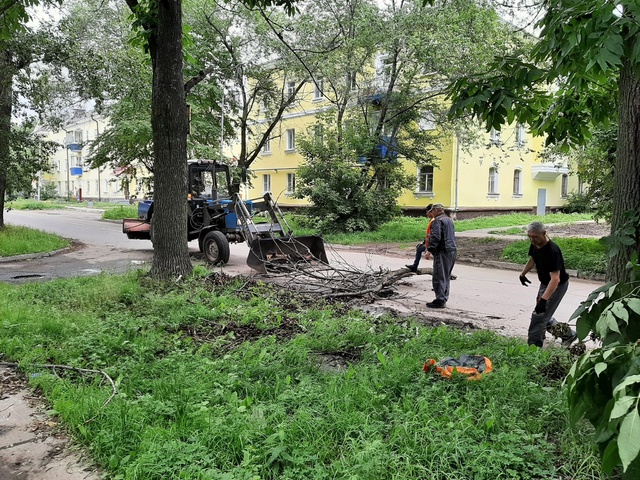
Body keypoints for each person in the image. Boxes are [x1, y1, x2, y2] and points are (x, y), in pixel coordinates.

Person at [519, 221, 577, 347]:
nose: (532, 239)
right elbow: (533, 259)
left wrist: (544, 300)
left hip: (557, 286)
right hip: (545, 283)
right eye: (529, 236)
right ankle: (568, 335)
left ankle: (533, 348)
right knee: (544, 315)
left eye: (535, 236)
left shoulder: (552, 251)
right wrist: (523, 274)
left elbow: (555, 279)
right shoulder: (535, 244)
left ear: (544, 233)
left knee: (539, 316)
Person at [426, 204, 457, 308]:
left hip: (442, 250)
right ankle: (444, 297)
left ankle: (440, 299)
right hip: (452, 250)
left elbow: (435, 236)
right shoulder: (449, 220)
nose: (431, 213)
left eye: (432, 211)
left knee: (439, 275)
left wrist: (430, 248)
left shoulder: (437, 221)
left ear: (435, 210)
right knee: (446, 276)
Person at [406, 204, 434, 273]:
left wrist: (429, 249)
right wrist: (424, 243)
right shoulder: (432, 220)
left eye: (427, 212)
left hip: (433, 244)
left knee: (437, 257)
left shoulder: (434, 221)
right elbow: (428, 235)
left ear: (431, 212)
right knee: (419, 248)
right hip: (430, 244)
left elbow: (432, 236)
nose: (426, 214)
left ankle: (415, 266)